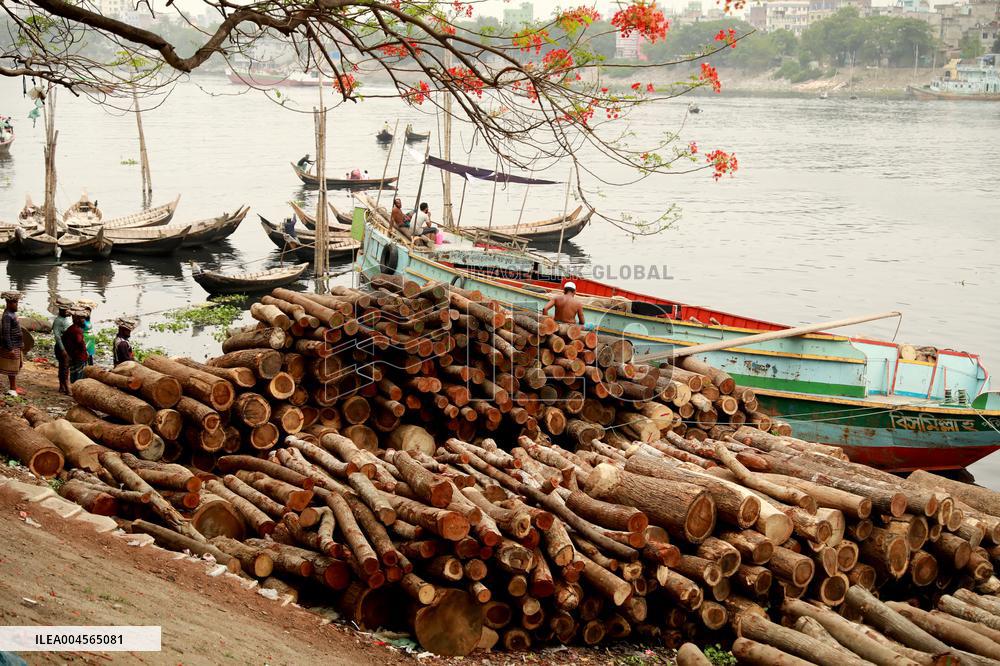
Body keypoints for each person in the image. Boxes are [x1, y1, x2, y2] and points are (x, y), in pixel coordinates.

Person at [0, 291, 25, 396]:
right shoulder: (7, 316)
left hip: (17, 344)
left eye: (17, 303)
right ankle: (12, 388)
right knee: (11, 368)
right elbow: (6, 333)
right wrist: (10, 349)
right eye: (15, 303)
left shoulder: (12, 313)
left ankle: (13, 387)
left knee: (16, 366)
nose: (17, 305)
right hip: (12, 345)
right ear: (9, 303)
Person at [51, 297, 73, 394]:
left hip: (67, 346)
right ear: (61, 310)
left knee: (65, 367)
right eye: (66, 310)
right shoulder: (58, 321)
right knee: (64, 367)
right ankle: (65, 386)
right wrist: (63, 350)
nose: (68, 312)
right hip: (61, 347)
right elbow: (57, 336)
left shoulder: (67, 318)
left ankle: (62, 386)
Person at [62, 308, 89, 385]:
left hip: (74, 356)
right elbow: (80, 343)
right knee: (78, 376)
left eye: (84, 318)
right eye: (82, 318)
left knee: (75, 375)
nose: (83, 320)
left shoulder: (72, 328)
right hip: (78, 357)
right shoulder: (77, 330)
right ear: (76, 319)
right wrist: (85, 352)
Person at [77, 300, 97, 365]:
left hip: (90, 342)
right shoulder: (81, 320)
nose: (89, 311)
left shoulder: (88, 318)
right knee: (84, 358)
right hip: (85, 341)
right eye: (87, 309)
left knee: (90, 358)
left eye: (90, 310)